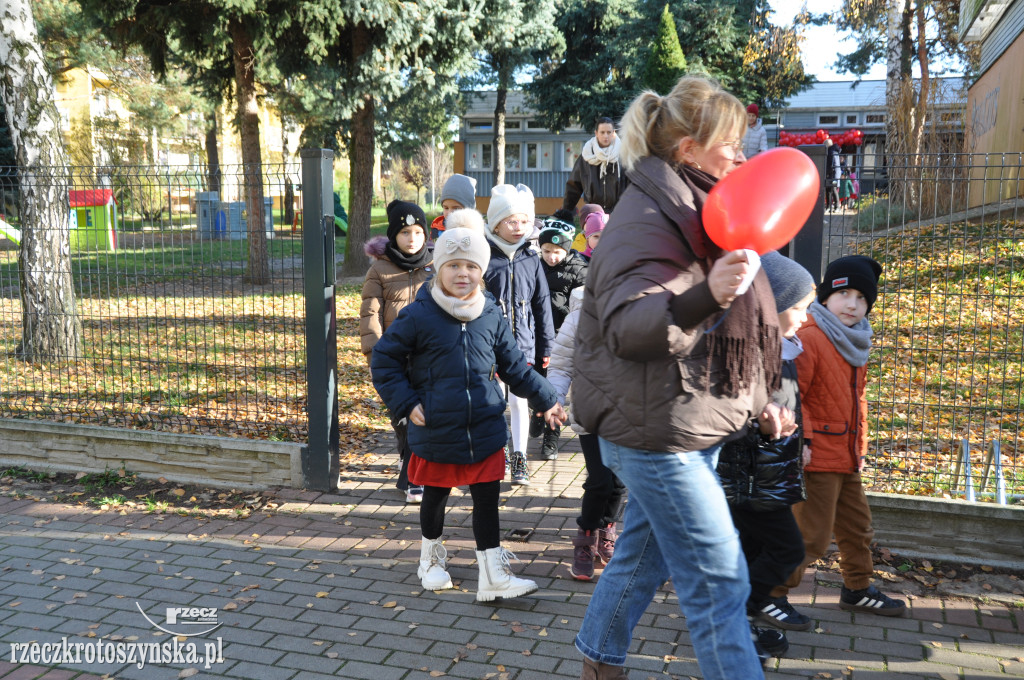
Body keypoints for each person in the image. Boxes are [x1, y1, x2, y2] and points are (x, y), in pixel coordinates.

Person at [572, 75, 794, 679]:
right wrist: (703, 295)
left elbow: (741, 325)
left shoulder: (700, 206)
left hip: (686, 419)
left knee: (642, 557)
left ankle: (597, 660)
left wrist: (766, 395)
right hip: (656, 431)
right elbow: (628, 323)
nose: (744, 158)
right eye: (732, 145)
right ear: (689, 149)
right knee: (721, 582)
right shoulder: (648, 215)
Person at [370, 209, 567, 601]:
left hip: (484, 426)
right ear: (438, 268)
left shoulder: (491, 314)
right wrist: (406, 403)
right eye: (453, 265)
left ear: (482, 270)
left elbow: (515, 368)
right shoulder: (419, 315)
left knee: (487, 501)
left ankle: (492, 575)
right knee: (435, 498)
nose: (463, 274)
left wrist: (548, 400)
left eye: (472, 266)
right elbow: (384, 360)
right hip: (437, 425)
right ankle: (430, 560)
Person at [769, 255, 908, 620]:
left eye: (862, 298)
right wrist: (806, 443)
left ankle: (857, 589)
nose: (852, 304)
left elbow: (855, 399)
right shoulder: (812, 335)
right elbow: (794, 396)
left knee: (857, 527)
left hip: (845, 454)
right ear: (826, 295)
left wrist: (858, 446)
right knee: (811, 536)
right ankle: (772, 593)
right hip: (816, 456)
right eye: (844, 293)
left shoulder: (854, 340)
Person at [717, 252, 817, 646]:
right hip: (750, 479)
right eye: (799, 307)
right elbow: (732, 411)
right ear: (771, 305)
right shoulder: (750, 352)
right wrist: (757, 421)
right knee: (787, 548)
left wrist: (800, 443)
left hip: (771, 472)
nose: (806, 317)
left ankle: (733, 626)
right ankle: (731, 620)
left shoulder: (783, 347)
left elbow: (791, 405)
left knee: (751, 551)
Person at [547, 286, 625, 582]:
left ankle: (607, 531)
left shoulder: (646, 307)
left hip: (631, 414)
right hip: (592, 412)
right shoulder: (580, 316)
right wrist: (553, 399)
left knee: (618, 482)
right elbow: (561, 364)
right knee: (600, 480)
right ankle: (586, 535)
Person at [360, 200, 433, 503]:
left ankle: (414, 476)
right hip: (394, 357)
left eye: (417, 231)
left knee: (422, 413)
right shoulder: (379, 270)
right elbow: (370, 315)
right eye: (405, 232)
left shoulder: (435, 264)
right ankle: (407, 458)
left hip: (429, 356)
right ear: (393, 236)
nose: (412, 238)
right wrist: (377, 355)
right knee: (401, 415)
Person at [483, 183, 556, 486]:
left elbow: (542, 305)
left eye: (525, 221)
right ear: (496, 223)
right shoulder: (486, 256)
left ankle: (519, 456)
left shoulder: (531, 258)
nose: (519, 227)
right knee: (494, 401)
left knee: (519, 401)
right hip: (490, 348)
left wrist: (546, 345)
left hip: (523, 346)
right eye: (512, 221)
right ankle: (495, 451)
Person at [531, 218, 589, 461]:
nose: (551, 257)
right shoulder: (534, 265)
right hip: (539, 337)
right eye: (546, 251)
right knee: (539, 385)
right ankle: (536, 413)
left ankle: (551, 439)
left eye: (557, 252)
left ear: (567, 249)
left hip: (564, 337)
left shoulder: (580, 268)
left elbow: (582, 306)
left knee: (556, 390)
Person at [556, 117, 630, 221]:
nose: (606, 136)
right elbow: (573, 187)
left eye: (609, 132)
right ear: (596, 133)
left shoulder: (624, 156)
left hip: (619, 215)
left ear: (614, 133)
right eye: (602, 132)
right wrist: (565, 212)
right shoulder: (586, 157)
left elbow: (633, 185)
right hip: (593, 216)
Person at [429, 174, 478, 240]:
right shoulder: (437, 228)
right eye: (446, 208)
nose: (450, 213)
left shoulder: (476, 230)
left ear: (469, 210)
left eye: (456, 208)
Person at [825, 140, 841, 212]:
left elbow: (834, 164)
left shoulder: (832, 152)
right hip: (832, 174)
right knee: (828, 190)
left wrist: (829, 171)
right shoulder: (832, 152)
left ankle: (837, 206)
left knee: (833, 189)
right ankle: (829, 206)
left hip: (833, 174)